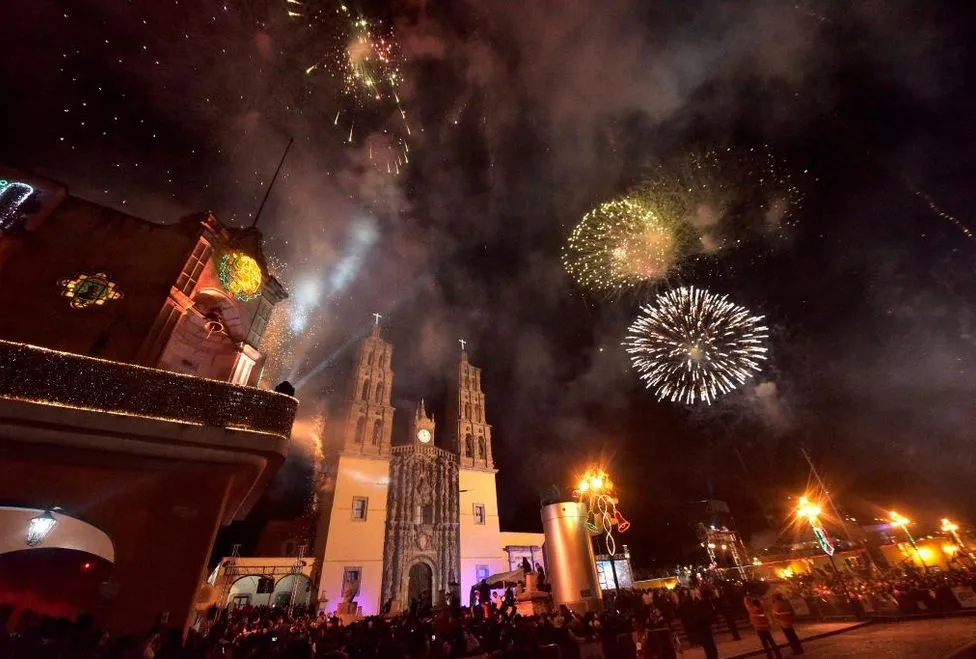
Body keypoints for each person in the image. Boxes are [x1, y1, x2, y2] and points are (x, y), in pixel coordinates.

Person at [744, 595, 782, 659]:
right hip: (765, 627)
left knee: (765, 644)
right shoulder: (761, 608)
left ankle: (770, 657)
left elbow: (746, 605)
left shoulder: (751, 609)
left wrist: (745, 599)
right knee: (772, 642)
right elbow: (765, 615)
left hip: (759, 628)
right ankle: (779, 655)